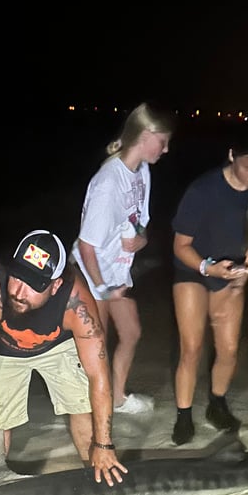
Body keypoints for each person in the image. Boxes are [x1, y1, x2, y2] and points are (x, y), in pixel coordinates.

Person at [0, 229, 127, 488]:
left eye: (33, 285)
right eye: (17, 277)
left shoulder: (77, 305)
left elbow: (98, 375)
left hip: (56, 345)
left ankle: (96, 475)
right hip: (0, 348)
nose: (18, 291)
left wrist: (104, 443)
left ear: (56, 285)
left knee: (82, 406)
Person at [171, 121, 248, 445]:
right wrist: (209, 268)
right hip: (193, 269)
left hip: (231, 272)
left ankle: (216, 405)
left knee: (229, 349)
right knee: (191, 347)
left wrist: (241, 280)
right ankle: (183, 414)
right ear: (232, 155)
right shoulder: (203, 191)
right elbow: (180, 245)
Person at [71, 101, 176, 415]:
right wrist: (103, 289)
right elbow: (87, 247)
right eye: (163, 141)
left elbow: (140, 221)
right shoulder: (108, 183)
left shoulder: (142, 171)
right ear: (144, 136)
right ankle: (90, 410)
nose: (167, 149)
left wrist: (141, 239)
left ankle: (116, 398)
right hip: (91, 276)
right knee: (96, 347)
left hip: (116, 273)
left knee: (131, 333)